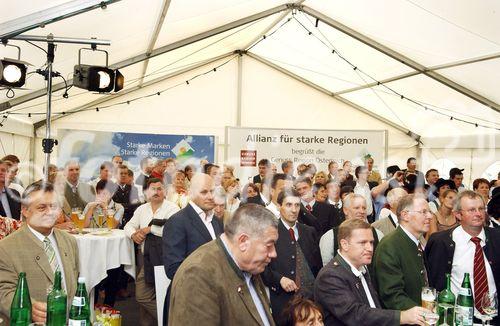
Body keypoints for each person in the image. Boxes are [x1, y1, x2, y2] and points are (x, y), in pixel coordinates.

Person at [168, 204, 277, 326]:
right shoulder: (197, 275)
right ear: (243, 241)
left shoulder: (250, 266)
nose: (274, 254)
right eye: (269, 245)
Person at [314, 219, 429, 326]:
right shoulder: (330, 276)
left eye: (371, 242)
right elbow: (356, 314)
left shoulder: (362, 268)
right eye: (363, 243)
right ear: (344, 244)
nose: (370, 248)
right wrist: (402, 316)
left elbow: (374, 308)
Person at [0, 181, 79, 324]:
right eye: (42, 207)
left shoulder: (70, 241)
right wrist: (29, 308)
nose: (50, 212)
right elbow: (3, 292)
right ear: (25, 210)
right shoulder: (6, 248)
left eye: (53, 206)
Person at [425, 190, 500, 323]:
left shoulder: (497, 237)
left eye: (481, 209)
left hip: (493, 318)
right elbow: (433, 281)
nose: (478, 213)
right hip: (456, 319)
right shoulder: (441, 242)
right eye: (471, 210)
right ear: (458, 214)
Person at [162, 173, 224, 324]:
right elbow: (173, 268)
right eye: (204, 192)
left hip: (214, 298)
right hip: (188, 300)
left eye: (212, 191)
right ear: (191, 193)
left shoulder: (215, 221)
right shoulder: (177, 222)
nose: (210, 196)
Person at [124, 178, 180, 326]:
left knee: (147, 295)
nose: (156, 192)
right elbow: (129, 226)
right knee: (145, 299)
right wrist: (134, 235)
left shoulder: (173, 208)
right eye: (153, 189)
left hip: (166, 261)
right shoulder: (142, 209)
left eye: (160, 188)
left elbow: (174, 231)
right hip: (147, 259)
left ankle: (173, 319)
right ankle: (168, 319)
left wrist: (151, 229)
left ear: (165, 192)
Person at [262, 189, 322, 324]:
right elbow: (261, 269)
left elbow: (318, 267)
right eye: (289, 205)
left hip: (310, 302)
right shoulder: (269, 231)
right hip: (283, 302)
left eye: (297, 205)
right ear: (279, 206)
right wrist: (280, 279)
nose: (294, 210)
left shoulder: (309, 231)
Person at [374, 194, 431, 310]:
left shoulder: (417, 242)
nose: (430, 216)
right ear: (405, 215)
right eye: (424, 212)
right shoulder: (389, 246)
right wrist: (425, 314)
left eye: (429, 212)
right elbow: (392, 296)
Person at [319, 194, 383, 268]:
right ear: (345, 210)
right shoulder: (330, 237)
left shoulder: (378, 234)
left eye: (364, 208)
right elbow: (326, 268)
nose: (362, 211)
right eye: (357, 208)